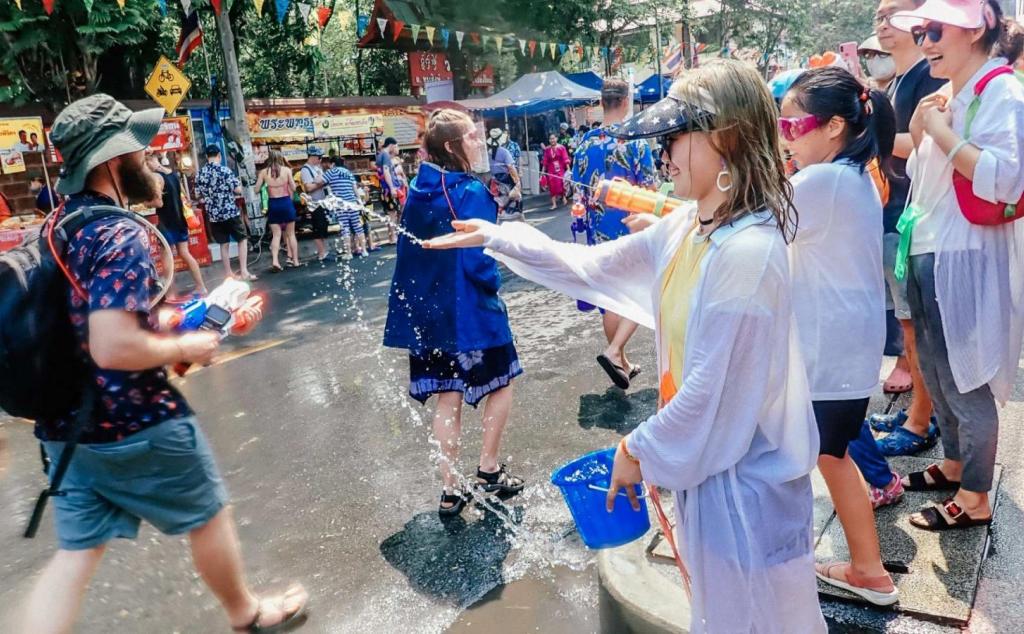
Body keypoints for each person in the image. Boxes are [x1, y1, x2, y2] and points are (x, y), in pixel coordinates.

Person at [426, 60, 825, 633]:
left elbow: (708, 396)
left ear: (726, 138)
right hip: (713, 477)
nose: (662, 155)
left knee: (763, 618)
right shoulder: (691, 227)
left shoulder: (747, 254)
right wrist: (496, 236)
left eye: (673, 138)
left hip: (750, 489)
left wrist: (634, 452)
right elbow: (587, 267)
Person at [23, 93, 307, 634]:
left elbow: (100, 324)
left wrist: (202, 316)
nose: (151, 160)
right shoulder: (121, 234)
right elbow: (113, 346)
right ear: (112, 162)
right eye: (142, 151)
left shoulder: (58, 227)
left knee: (76, 555)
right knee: (208, 513)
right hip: (136, 423)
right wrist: (190, 346)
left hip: (65, 429)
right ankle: (247, 615)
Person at [888, 0, 1024, 530]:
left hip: (962, 255)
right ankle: (952, 463)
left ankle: (974, 496)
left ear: (977, 29)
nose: (925, 42)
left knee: (966, 379)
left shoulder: (1003, 94)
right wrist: (927, 128)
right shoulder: (950, 94)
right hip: (928, 246)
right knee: (939, 373)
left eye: (936, 30)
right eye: (922, 31)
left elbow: (1006, 177)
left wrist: (941, 133)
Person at [780, 67, 900, 605]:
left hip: (830, 350)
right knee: (833, 456)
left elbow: (755, 224)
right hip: (847, 347)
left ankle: (864, 573)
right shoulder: (852, 175)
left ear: (832, 126)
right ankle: (867, 569)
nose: (787, 138)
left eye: (792, 126)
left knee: (813, 455)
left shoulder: (824, 180)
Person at [383, 109, 525, 517]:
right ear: (452, 146)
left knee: (449, 395)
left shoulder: (417, 190)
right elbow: (481, 261)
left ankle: (450, 488)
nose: (480, 142)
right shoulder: (469, 191)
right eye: (472, 137)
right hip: (473, 314)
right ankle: (489, 469)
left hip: (433, 317)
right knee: (503, 383)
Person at [867, 0, 947, 456]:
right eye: (879, 16)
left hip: (909, 216)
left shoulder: (929, 76)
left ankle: (921, 421)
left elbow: (929, 141)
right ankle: (919, 406)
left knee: (915, 324)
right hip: (894, 212)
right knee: (907, 320)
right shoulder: (899, 78)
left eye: (894, 14)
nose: (883, 23)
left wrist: (867, 141)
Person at [572, 78, 657, 389]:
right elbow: (649, 190)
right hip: (631, 227)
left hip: (597, 230)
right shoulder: (635, 143)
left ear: (601, 102)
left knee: (610, 298)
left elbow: (577, 197)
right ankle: (615, 352)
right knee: (642, 289)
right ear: (625, 101)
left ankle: (620, 360)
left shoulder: (584, 145)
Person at [145, 152, 207, 296]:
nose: (146, 167)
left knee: (167, 256)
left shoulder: (156, 177)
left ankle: (170, 293)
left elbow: (157, 202)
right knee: (185, 253)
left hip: (166, 222)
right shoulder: (172, 174)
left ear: (151, 161)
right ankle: (201, 287)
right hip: (180, 219)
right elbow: (182, 194)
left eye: (146, 163)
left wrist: (145, 202)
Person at [194, 145, 256, 281]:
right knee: (242, 239)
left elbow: (198, 194)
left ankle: (229, 273)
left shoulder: (200, 173)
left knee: (223, 243)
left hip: (214, 215)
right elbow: (238, 190)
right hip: (230, 212)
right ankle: (244, 271)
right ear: (219, 155)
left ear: (206, 157)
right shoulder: (225, 170)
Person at [254, 148, 299, 272]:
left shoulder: (263, 172)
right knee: (291, 234)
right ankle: (295, 260)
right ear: (280, 158)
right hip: (286, 203)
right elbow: (294, 188)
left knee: (276, 235)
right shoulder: (287, 170)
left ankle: (275, 261)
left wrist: (265, 185)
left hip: (273, 204)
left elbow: (256, 190)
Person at [323, 155, 368, 258]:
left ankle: (348, 253)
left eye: (330, 164)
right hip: (352, 202)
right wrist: (359, 201)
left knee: (345, 228)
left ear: (333, 164)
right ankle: (364, 250)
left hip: (341, 205)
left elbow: (319, 181)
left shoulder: (331, 172)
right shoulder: (348, 172)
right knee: (358, 227)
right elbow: (355, 188)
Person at [299, 147, 330, 263]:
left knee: (323, 226)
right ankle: (321, 253)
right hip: (314, 202)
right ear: (313, 157)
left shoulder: (318, 168)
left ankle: (324, 251)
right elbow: (309, 187)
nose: (320, 160)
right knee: (318, 227)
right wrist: (321, 184)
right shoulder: (306, 170)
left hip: (323, 200)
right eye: (319, 158)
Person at [486, 128, 522, 217]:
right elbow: (511, 167)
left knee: (498, 204)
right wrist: (517, 181)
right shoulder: (504, 152)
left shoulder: (488, 153)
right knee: (514, 201)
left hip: (493, 181)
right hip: (505, 181)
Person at [376, 137, 402, 244]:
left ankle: (392, 236)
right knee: (392, 214)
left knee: (390, 213)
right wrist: (392, 188)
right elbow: (386, 172)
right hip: (388, 188)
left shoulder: (381, 155)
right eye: (395, 146)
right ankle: (393, 237)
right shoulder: (385, 155)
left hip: (383, 188)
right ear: (391, 145)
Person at [542, 133, 570, 209]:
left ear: (556, 139)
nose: (552, 140)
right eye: (550, 139)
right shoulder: (547, 149)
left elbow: (565, 159)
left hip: (560, 169)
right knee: (552, 186)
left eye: (553, 138)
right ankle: (554, 204)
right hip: (551, 170)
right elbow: (545, 161)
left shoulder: (561, 148)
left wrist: (568, 170)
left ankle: (564, 197)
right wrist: (542, 172)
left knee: (561, 184)